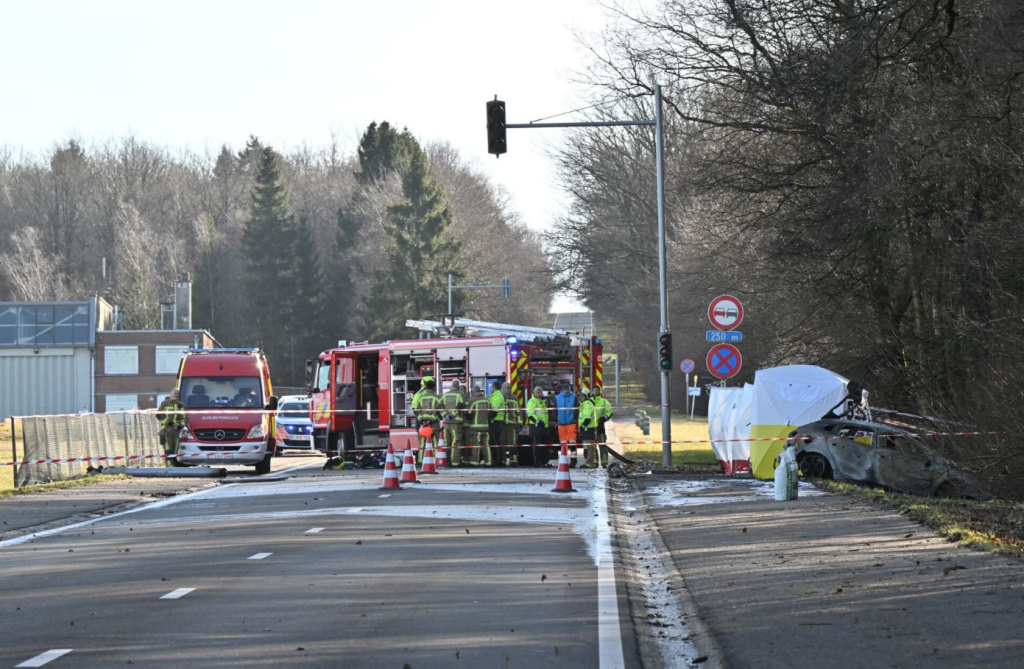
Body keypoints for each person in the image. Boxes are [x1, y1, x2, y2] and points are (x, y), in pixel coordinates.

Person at [412, 377, 440, 461]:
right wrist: (430, 420)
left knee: (422, 443)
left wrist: (422, 420)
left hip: (422, 423)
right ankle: (436, 460)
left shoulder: (420, 396)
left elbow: (416, 410)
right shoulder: (436, 397)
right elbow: (439, 411)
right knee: (435, 443)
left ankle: (421, 460)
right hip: (432, 423)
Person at [157, 389, 187, 468]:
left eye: (177, 393)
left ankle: (173, 464)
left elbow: (185, 417)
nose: (176, 395)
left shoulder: (182, 405)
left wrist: (181, 425)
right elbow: (158, 415)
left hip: (177, 430)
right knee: (168, 447)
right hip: (167, 429)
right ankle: (169, 466)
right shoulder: (164, 403)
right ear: (171, 394)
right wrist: (166, 422)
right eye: (175, 393)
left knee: (175, 448)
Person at [440, 379, 467, 466]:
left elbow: (439, 407)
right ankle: (455, 462)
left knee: (447, 442)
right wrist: (453, 415)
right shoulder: (461, 394)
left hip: (446, 423)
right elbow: (461, 406)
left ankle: (447, 460)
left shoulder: (445, 395)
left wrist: (446, 416)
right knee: (456, 442)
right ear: (459, 386)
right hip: (456, 422)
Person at [466, 385, 492, 466]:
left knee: (476, 445)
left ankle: (474, 461)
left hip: (475, 427)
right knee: (486, 445)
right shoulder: (487, 400)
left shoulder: (472, 400)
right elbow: (491, 413)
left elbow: (468, 414)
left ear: (473, 392)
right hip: (486, 426)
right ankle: (488, 461)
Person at [526, 386, 551, 466]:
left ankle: (544, 462)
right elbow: (530, 414)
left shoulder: (542, 402)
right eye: (538, 392)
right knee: (537, 446)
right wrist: (538, 422)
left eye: (540, 392)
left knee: (544, 446)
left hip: (544, 427)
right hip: (536, 427)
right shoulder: (532, 401)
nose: (540, 394)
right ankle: (537, 462)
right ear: (534, 393)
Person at [555, 382, 579, 466]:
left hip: (571, 423)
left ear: (569, 389)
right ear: (562, 390)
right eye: (564, 389)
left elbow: (577, 409)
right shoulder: (557, 398)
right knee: (563, 443)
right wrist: (556, 420)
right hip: (561, 424)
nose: (566, 391)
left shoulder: (574, 397)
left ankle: (573, 460)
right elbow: (554, 410)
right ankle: (564, 460)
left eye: (567, 389)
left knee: (572, 442)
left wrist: (574, 419)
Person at [577, 388, 600, 468]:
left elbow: (587, 417)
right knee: (589, 446)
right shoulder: (585, 403)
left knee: (589, 447)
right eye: (580, 396)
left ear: (586, 396)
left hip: (588, 428)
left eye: (583, 396)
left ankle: (590, 463)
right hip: (588, 428)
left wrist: (583, 426)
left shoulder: (587, 404)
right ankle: (593, 462)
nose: (581, 397)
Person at [501, 381, 521, 466]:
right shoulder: (500, 397)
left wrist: (520, 423)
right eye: (507, 388)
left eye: (510, 388)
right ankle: (502, 459)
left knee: (512, 443)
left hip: (512, 424)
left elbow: (519, 412)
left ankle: (513, 460)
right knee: (501, 443)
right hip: (501, 424)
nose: (509, 389)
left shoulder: (515, 398)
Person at [488, 381, 506, 466]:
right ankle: (497, 460)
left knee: (494, 442)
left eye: (491, 387)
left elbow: (494, 410)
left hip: (495, 421)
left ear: (494, 387)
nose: (491, 388)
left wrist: (488, 418)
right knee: (495, 441)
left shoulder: (497, 397)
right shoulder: (497, 396)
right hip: (497, 421)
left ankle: (497, 460)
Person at [593, 386, 614, 452]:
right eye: (594, 390)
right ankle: (593, 462)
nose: (596, 392)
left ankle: (604, 462)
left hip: (600, 427)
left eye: (597, 390)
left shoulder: (604, 401)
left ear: (599, 391)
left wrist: (603, 419)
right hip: (590, 427)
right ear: (592, 391)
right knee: (592, 447)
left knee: (602, 446)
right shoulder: (588, 402)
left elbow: (609, 412)